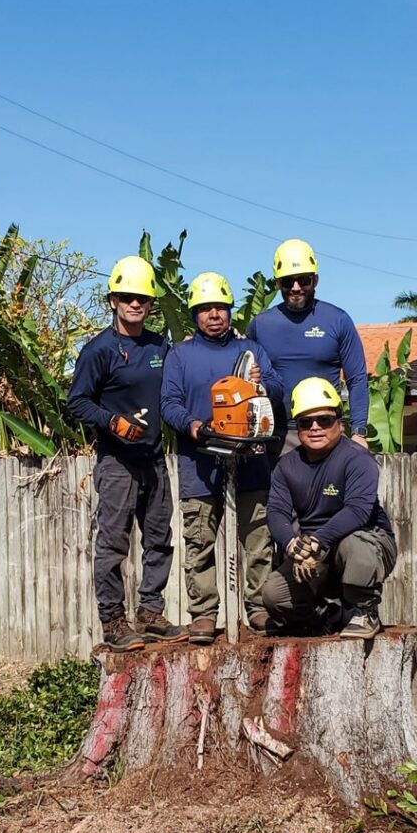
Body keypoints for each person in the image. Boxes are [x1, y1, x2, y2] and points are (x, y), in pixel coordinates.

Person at [67, 255, 187, 650]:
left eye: (142, 298)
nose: (135, 304)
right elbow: (77, 402)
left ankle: (151, 613)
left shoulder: (159, 347)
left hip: (153, 459)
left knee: (159, 538)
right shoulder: (99, 350)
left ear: (151, 303)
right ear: (113, 301)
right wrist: (111, 421)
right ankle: (114, 622)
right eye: (127, 297)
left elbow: (180, 383)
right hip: (117, 462)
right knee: (114, 544)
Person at [160, 272, 283, 644]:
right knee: (200, 542)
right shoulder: (180, 356)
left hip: (252, 462)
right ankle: (203, 614)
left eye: (221, 308)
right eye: (206, 308)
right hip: (200, 463)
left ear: (230, 311)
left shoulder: (250, 351)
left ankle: (259, 607)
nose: (214, 315)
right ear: (196, 313)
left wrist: (262, 383)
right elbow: (169, 403)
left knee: (258, 538)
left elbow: (278, 391)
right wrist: (193, 425)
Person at [262, 377, 397, 639]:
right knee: (274, 594)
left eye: (324, 420)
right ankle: (327, 615)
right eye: (305, 422)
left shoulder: (357, 459)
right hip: (315, 551)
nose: (315, 427)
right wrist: (292, 544)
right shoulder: (287, 465)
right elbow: (276, 511)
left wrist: (316, 540)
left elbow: (358, 510)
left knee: (353, 543)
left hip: (366, 540)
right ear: (297, 427)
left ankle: (363, 609)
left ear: (339, 421)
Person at [246, 238, 370, 455]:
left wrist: (359, 432)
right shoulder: (261, 325)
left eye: (303, 280)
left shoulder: (337, 320)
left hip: (326, 432)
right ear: (277, 284)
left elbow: (357, 378)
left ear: (315, 280)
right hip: (278, 436)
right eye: (287, 282)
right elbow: (243, 372)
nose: (295, 288)